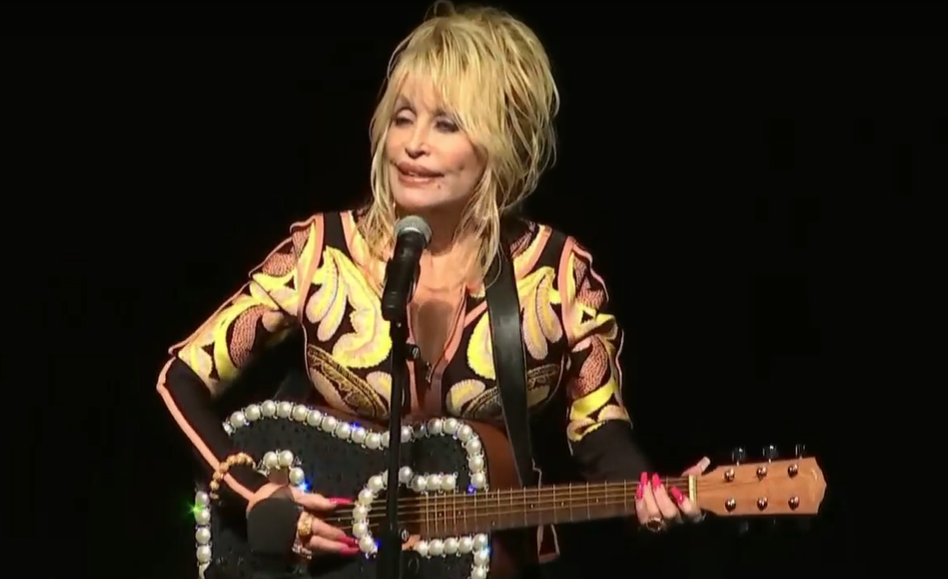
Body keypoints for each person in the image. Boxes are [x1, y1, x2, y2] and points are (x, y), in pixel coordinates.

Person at [156, 2, 708, 578]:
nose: (413, 145)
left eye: (446, 124)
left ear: (503, 139)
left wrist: (652, 495)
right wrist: (251, 492)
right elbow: (179, 379)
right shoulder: (321, 254)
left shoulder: (555, 276)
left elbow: (601, 432)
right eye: (403, 118)